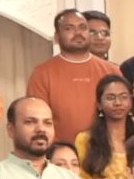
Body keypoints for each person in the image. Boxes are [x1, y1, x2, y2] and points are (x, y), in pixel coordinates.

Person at [27, 10, 122, 147]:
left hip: (106, 151)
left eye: (82, 27)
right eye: (69, 28)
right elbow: (37, 120)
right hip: (60, 154)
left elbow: (122, 116)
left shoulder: (111, 71)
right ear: (56, 37)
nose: (78, 33)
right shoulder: (42, 73)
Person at [75, 74, 134, 179]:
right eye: (110, 98)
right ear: (99, 104)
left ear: (131, 102)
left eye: (124, 97)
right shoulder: (85, 140)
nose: (118, 102)